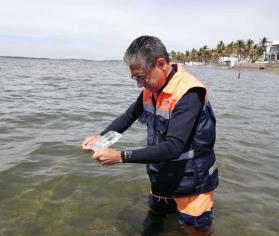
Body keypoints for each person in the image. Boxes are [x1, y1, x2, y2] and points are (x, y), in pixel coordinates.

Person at [81, 35, 218, 231]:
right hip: (162, 175)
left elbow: (173, 147)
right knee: (154, 218)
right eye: (135, 78)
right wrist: (101, 138)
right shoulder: (151, 88)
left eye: (141, 77)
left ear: (160, 64)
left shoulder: (189, 93)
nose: (139, 84)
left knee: (194, 229)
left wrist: (120, 157)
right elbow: (128, 117)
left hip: (192, 181)